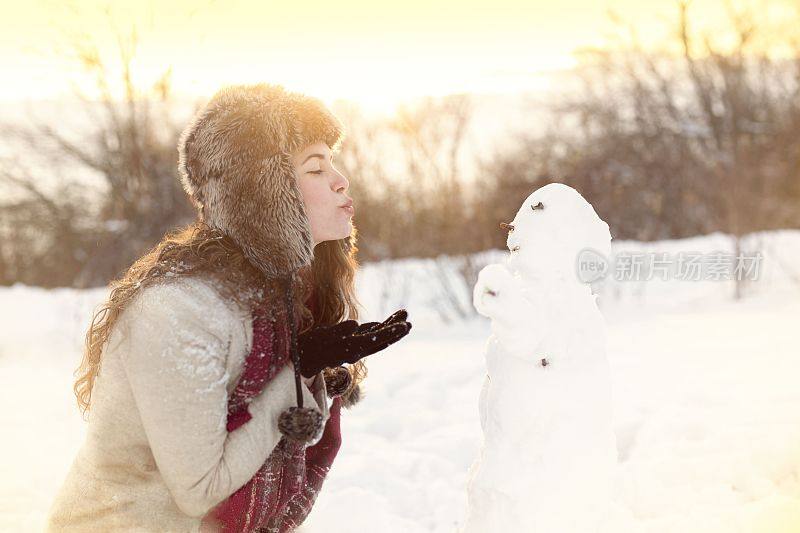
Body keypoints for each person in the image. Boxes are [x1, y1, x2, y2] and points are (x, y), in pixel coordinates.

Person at [45, 83, 412, 532]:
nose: (341, 179)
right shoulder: (180, 310)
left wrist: (311, 368)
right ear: (263, 194)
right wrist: (298, 372)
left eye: (332, 162)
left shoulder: (285, 298)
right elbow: (200, 487)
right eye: (316, 168)